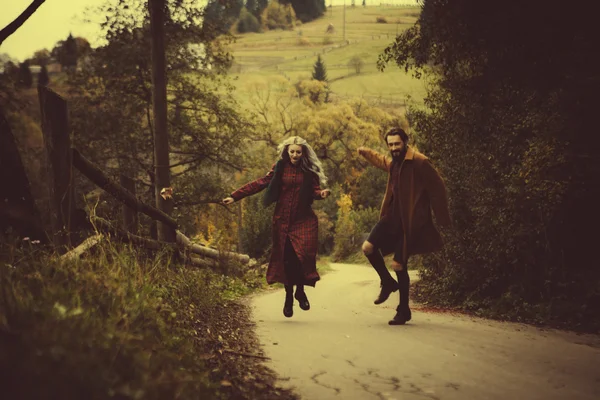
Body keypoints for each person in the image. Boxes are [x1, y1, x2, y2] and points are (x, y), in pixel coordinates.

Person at [222, 136, 330, 318]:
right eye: (292, 151)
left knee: (302, 256)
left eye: (298, 152)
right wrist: (235, 196)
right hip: (282, 221)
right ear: (287, 152)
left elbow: (315, 191)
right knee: (286, 259)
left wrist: (322, 193)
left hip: (303, 219)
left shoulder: (309, 171)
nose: (295, 155)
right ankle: (289, 296)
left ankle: (300, 291)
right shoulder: (280, 167)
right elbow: (260, 183)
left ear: (303, 153)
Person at [357, 127, 452, 325]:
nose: (393, 148)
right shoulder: (395, 163)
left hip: (409, 222)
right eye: (390, 145)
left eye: (397, 144)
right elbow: (381, 160)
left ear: (405, 142)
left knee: (399, 265)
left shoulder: (419, 162)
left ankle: (403, 310)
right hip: (390, 218)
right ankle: (388, 282)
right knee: (367, 248)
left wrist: (443, 220)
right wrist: (365, 152)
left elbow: (438, 188)